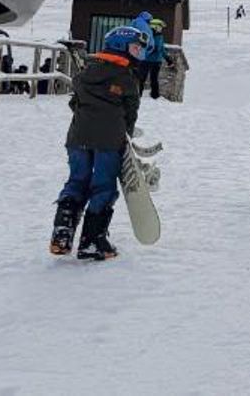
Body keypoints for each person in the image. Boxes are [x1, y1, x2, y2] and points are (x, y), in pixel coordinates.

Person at [49, 26, 146, 260]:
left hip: (77, 138)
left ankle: (62, 234)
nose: (138, 54)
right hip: (108, 142)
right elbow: (130, 112)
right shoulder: (127, 78)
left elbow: (74, 103)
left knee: (77, 181)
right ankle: (92, 241)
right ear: (121, 48)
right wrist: (127, 136)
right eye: (135, 48)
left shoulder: (86, 72)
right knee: (103, 186)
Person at [138, 18, 169, 100]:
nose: (161, 29)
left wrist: (168, 59)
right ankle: (138, 94)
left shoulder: (160, 36)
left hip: (156, 61)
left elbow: (161, 49)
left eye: (161, 28)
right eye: (159, 27)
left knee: (154, 79)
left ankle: (155, 96)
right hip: (146, 60)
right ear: (154, 27)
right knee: (141, 78)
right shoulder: (147, 35)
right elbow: (142, 46)